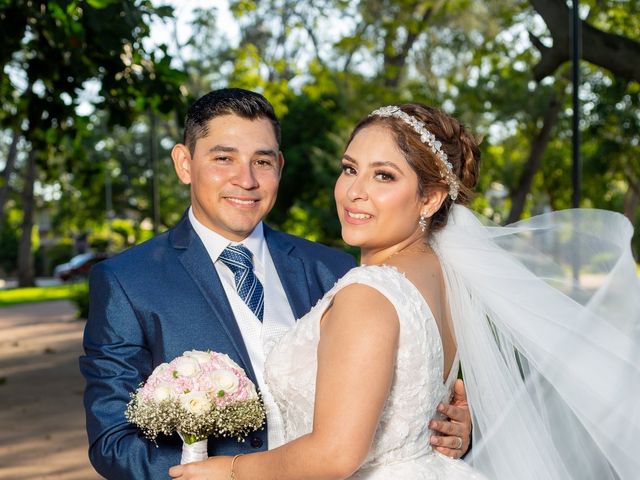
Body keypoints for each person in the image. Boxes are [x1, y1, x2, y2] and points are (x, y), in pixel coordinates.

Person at [169, 103, 640, 480]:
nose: (354, 192)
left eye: (384, 176)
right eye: (350, 169)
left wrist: (227, 471)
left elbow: (335, 455)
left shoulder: (367, 292)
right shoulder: (446, 277)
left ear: (431, 198)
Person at [79, 90, 472, 480]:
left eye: (262, 161)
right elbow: (114, 441)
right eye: (223, 158)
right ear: (185, 163)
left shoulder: (334, 267)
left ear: (280, 166)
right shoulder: (128, 281)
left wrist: (453, 430)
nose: (245, 179)